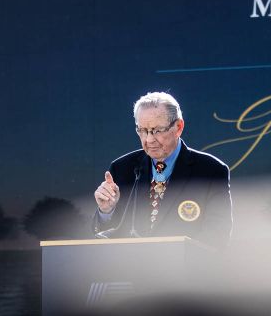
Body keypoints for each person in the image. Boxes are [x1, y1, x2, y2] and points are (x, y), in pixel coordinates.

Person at [92, 92, 233, 248]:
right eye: (142, 130)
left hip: (184, 270)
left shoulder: (211, 171)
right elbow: (107, 237)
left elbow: (216, 237)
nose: (149, 139)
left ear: (178, 127)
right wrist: (106, 211)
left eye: (157, 130)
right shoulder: (122, 168)